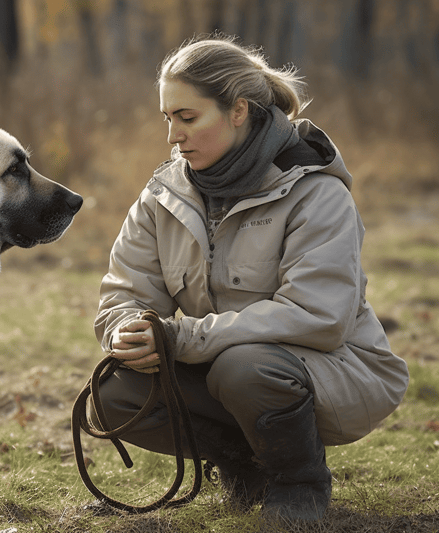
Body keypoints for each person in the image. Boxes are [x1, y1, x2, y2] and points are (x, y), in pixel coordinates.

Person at [90, 35, 410, 522]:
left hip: (335, 371)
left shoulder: (317, 192)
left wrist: (182, 337)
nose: (173, 136)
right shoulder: (160, 197)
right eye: (167, 118)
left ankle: (300, 484)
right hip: (227, 368)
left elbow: (318, 317)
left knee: (244, 368)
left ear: (238, 110)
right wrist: (127, 331)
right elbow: (124, 293)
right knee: (114, 393)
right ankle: (246, 463)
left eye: (187, 117)